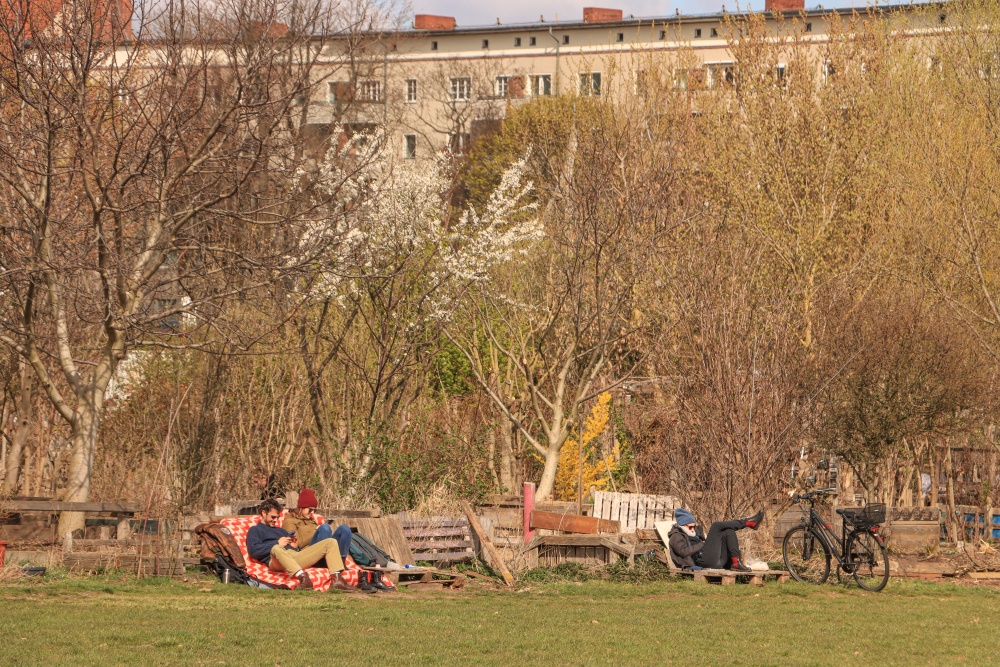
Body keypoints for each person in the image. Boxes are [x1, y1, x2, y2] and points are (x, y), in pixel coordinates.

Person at [246, 499, 362, 592]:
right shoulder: (255, 530)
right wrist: (277, 543)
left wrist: (294, 545)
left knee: (331, 542)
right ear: (263, 513)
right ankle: (304, 578)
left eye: (277, 517)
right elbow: (254, 551)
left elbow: (294, 548)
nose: (275, 520)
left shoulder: (280, 531)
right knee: (277, 548)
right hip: (275, 561)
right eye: (272, 517)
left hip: (294, 556)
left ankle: (337, 581)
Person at [667, 507, 764, 572]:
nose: (693, 529)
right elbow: (683, 552)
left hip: (716, 560)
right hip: (702, 561)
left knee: (728, 532)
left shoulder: (695, 532)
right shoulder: (676, 536)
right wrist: (702, 544)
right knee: (716, 526)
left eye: (694, 526)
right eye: (690, 527)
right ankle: (748, 523)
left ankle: (735, 562)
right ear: (683, 525)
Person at [281, 488, 354, 566]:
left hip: (322, 548)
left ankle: (341, 562)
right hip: (306, 554)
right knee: (324, 528)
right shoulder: (289, 520)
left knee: (344, 529)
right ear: (302, 507)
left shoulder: (311, 519)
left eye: (314, 510)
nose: (312, 513)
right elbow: (297, 544)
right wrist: (316, 531)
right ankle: (321, 562)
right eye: (310, 510)